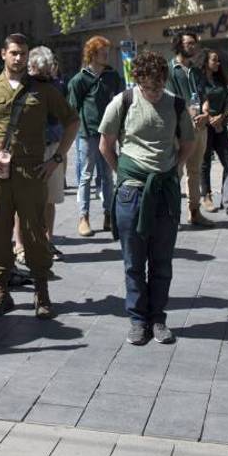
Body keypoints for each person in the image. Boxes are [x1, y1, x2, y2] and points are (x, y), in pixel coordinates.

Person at [0, 34, 79, 319]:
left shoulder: (44, 90)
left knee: (34, 233)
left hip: (31, 173)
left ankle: (41, 291)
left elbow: (72, 121)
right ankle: (0, 292)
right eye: (14, 53)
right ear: (3, 53)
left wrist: (57, 158)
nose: (19, 58)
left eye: (23, 53)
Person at [99, 51, 195, 345]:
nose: (154, 92)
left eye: (158, 86)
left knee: (162, 261)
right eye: (148, 87)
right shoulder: (123, 101)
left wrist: (175, 169)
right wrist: (122, 174)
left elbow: (188, 143)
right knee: (133, 261)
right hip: (131, 192)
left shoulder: (176, 105)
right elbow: (106, 145)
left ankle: (158, 319)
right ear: (138, 80)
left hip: (164, 193)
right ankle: (138, 320)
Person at [16, 48, 69, 266]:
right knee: (22, 201)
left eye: (47, 70)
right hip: (28, 149)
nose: (43, 74)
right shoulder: (21, 86)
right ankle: (19, 245)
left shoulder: (56, 86)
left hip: (52, 146)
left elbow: (66, 118)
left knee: (50, 199)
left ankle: (47, 241)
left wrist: (59, 155)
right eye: (39, 70)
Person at [66, 36, 121, 238]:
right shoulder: (80, 79)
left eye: (107, 50)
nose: (106, 54)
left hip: (108, 134)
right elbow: (72, 109)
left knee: (107, 176)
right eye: (102, 51)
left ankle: (108, 215)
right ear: (92, 53)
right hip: (87, 134)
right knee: (86, 176)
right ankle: (84, 217)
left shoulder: (112, 76)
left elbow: (121, 102)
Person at [165, 32, 216, 228]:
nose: (193, 47)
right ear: (179, 45)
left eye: (195, 44)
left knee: (195, 171)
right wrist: (189, 115)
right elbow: (171, 98)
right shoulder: (170, 70)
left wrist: (205, 112)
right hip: (179, 129)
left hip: (200, 127)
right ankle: (172, 215)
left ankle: (194, 212)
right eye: (189, 43)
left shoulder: (196, 71)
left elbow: (204, 94)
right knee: (176, 172)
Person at [199, 50, 228, 213]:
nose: (218, 63)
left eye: (218, 60)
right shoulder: (198, 80)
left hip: (220, 125)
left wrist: (222, 116)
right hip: (205, 125)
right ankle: (206, 197)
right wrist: (208, 117)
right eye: (215, 60)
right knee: (205, 163)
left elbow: (227, 101)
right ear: (206, 62)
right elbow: (196, 101)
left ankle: (226, 197)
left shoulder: (219, 80)